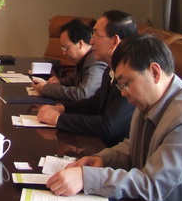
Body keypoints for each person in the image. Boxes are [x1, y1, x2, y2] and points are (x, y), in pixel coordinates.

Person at [47, 34, 182, 201]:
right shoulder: (148, 101)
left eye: (126, 83)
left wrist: (86, 178)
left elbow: (152, 185)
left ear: (154, 72)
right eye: (120, 85)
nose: (123, 93)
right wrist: (102, 159)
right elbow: (133, 147)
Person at [37, 10, 137, 147]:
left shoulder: (131, 76)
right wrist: (62, 108)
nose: (91, 41)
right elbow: (95, 102)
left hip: (115, 151)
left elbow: (108, 126)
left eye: (96, 35)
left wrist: (59, 119)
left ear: (115, 41)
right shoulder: (110, 68)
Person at [32, 19, 107, 101]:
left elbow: (83, 94)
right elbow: (75, 78)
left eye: (66, 48)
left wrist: (45, 89)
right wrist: (59, 82)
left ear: (80, 44)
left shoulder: (95, 62)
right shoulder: (85, 58)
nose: (64, 53)